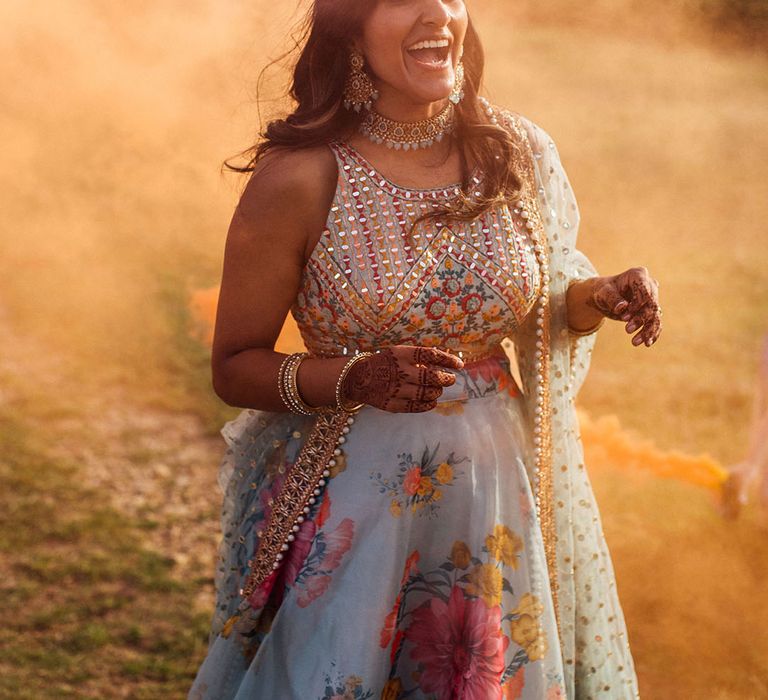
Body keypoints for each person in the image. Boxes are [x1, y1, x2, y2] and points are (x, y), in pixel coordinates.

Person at [189, 1, 661, 698]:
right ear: (351, 26)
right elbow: (235, 365)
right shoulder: (302, 178)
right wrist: (356, 377)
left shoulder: (516, 150)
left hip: (497, 498)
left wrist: (597, 297)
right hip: (360, 514)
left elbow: (539, 303)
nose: (437, 12)